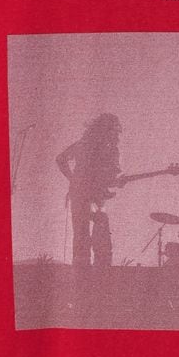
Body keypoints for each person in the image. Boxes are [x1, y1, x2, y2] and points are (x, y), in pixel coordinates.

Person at [56, 113, 124, 267]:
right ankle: (85, 271)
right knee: (84, 234)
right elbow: (60, 159)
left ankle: (100, 270)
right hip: (81, 194)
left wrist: (117, 182)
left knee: (97, 233)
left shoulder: (112, 150)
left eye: (115, 130)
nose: (115, 133)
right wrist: (74, 179)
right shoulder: (85, 145)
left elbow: (110, 178)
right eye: (111, 129)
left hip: (95, 196)